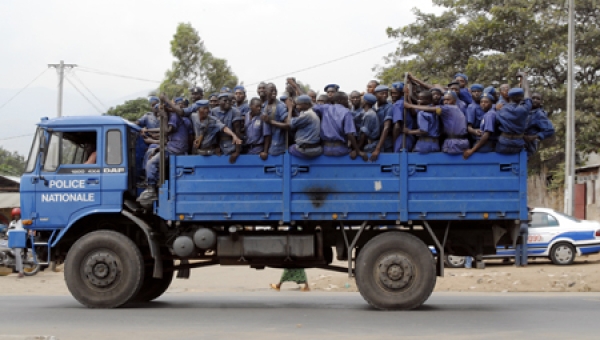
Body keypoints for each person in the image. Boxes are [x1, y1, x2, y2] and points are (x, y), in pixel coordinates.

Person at [138, 105, 190, 202]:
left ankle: (152, 190)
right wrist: (148, 130)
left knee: (151, 163)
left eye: (159, 113)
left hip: (176, 149)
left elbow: (166, 131)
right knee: (152, 153)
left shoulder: (173, 117)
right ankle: (155, 183)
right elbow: (162, 130)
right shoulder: (170, 117)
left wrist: (164, 117)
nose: (158, 115)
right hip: (172, 147)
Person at [404, 91, 469, 154]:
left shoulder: (447, 108)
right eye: (444, 100)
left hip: (451, 143)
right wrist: (409, 99)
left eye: (448, 100)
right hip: (441, 144)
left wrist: (410, 106)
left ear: (454, 101)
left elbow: (430, 110)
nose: (445, 102)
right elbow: (421, 110)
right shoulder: (455, 109)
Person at [312, 92, 365, 159]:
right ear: (340, 100)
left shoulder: (325, 108)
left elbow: (310, 105)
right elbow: (349, 134)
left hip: (326, 149)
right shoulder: (346, 112)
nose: (347, 102)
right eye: (346, 100)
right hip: (340, 150)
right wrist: (358, 151)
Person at [495, 72, 531, 154]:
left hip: (504, 142)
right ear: (521, 98)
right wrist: (524, 77)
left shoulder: (501, 109)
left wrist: (496, 109)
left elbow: (497, 122)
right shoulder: (525, 109)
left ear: (509, 96)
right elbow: (528, 94)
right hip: (518, 143)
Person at [463, 93, 498, 158]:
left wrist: (472, 150)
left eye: (486, 102)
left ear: (491, 103)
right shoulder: (487, 113)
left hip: (485, 146)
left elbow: (486, 135)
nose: (483, 104)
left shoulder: (490, 115)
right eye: (481, 102)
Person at [211, 93, 243, 162]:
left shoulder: (235, 111)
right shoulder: (213, 111)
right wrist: (216, 146)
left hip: (232, 144)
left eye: (229, 100)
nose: (228, 102)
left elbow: (237, 131)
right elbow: (212, 131)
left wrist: (237, 152)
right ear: (219, 102)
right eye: (225, 100)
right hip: (219, 145)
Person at [262, 84, 290, 156]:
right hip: (264, 144)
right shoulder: (263, 106)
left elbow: (288, 125)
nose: (274, 92)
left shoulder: (280, 106)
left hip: (277, 145)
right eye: (271, 90)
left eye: (275, 91)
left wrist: (270, 121)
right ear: (266, 91)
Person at [524, 92, 555, 156]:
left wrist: (534, 137)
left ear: (541, 102)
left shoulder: (539, 114)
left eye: (538, 99)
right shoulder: (526, 110)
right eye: (533, 98)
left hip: (528, 146)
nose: (535, 100)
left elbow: (550, 130)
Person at [370, 85, 394, 161]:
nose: (384, 95)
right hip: (374, 141)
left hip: (385, 142)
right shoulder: (372, 107)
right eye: (382, 93)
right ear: (375, 95)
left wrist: (378, 148)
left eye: (386, 93)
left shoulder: (389, 107)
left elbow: (386, 127)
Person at [391, 82, 414, 152]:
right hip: (410, 138)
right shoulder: (405, 102)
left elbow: (397, 126)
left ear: (401, 93)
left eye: (395, 93)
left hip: (402, 138)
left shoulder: (398, 104)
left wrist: (394, 141)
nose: (393, 95)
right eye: (392, 93)